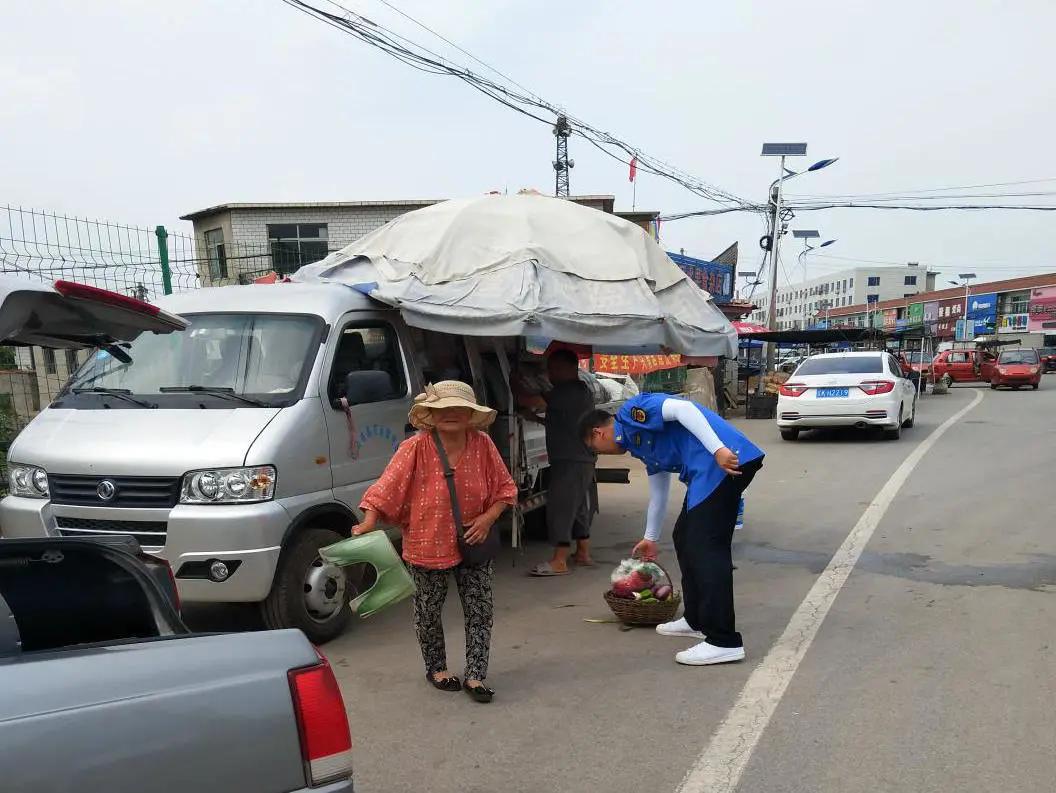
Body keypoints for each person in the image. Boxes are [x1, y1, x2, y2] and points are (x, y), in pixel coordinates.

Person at [353, 381, 517, 702]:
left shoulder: (483, 444)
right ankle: (436, 669)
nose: (451, 413)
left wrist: (486, 519)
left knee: (480, 610)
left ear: (471, 414)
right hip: (426, 544)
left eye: (458, 407)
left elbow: (505, 490)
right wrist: (368, 522)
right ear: (430, 413)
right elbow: (387, 487)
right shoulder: (415, 447)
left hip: (474, 542)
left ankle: (475, 676)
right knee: (428, 611)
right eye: (443, 408)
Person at [581, 393, 764, 666]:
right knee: (684, 537)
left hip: (725, 462)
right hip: (708, 473)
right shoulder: (639, 444)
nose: (600, 454)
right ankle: (696, 619)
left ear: (598, 433)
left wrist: (717, 449)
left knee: (706, 549)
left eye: (594, 449)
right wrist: (650, 538)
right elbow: (659, 492)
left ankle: (723, 640)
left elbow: (684, 409)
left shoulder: (633, 412)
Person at [521, 348, 597, 576]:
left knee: (561, 506)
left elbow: (530, 398)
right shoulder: (578, 390)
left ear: (568, 368)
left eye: (553, 369)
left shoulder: (567, 392)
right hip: (578, 458)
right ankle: (582, 553)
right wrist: (534, 418)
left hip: (571, 459)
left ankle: (559, 561)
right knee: (578, 506)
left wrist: (514, 381)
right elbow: (564, 424)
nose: (550, 374)